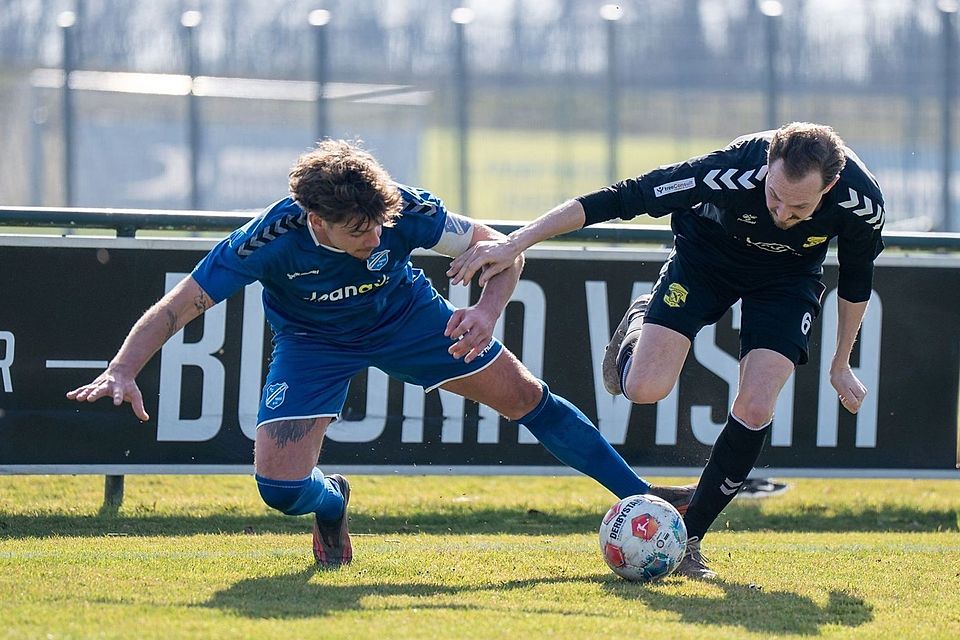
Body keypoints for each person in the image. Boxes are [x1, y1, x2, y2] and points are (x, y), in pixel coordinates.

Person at [66, 139, 694, 569]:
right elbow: (179, 305)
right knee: (279, 490)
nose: (374, 238)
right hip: (313, 343)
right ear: (315, 219)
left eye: (378, 226)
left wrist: (485, 309)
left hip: (408, 320)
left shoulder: (402, 211)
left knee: (527, 397)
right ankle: (332, 500)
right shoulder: (268, 240)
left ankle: (649, 506)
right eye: (357, 231)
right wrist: (123, 369)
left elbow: (501, 250)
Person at [447, 123, 884, 579]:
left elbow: (855, 280)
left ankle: (687, 540)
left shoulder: (861, 202)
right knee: (644, 388)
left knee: (755, 407)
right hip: (705, 262)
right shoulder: (730, 170)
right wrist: (516, 242)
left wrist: (840, 364)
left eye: (800, 207)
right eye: (774, 195)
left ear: (830, 186)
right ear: (767, 166)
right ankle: (639, 324)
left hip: (786, 282)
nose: (781, 211)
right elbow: (621, 197)